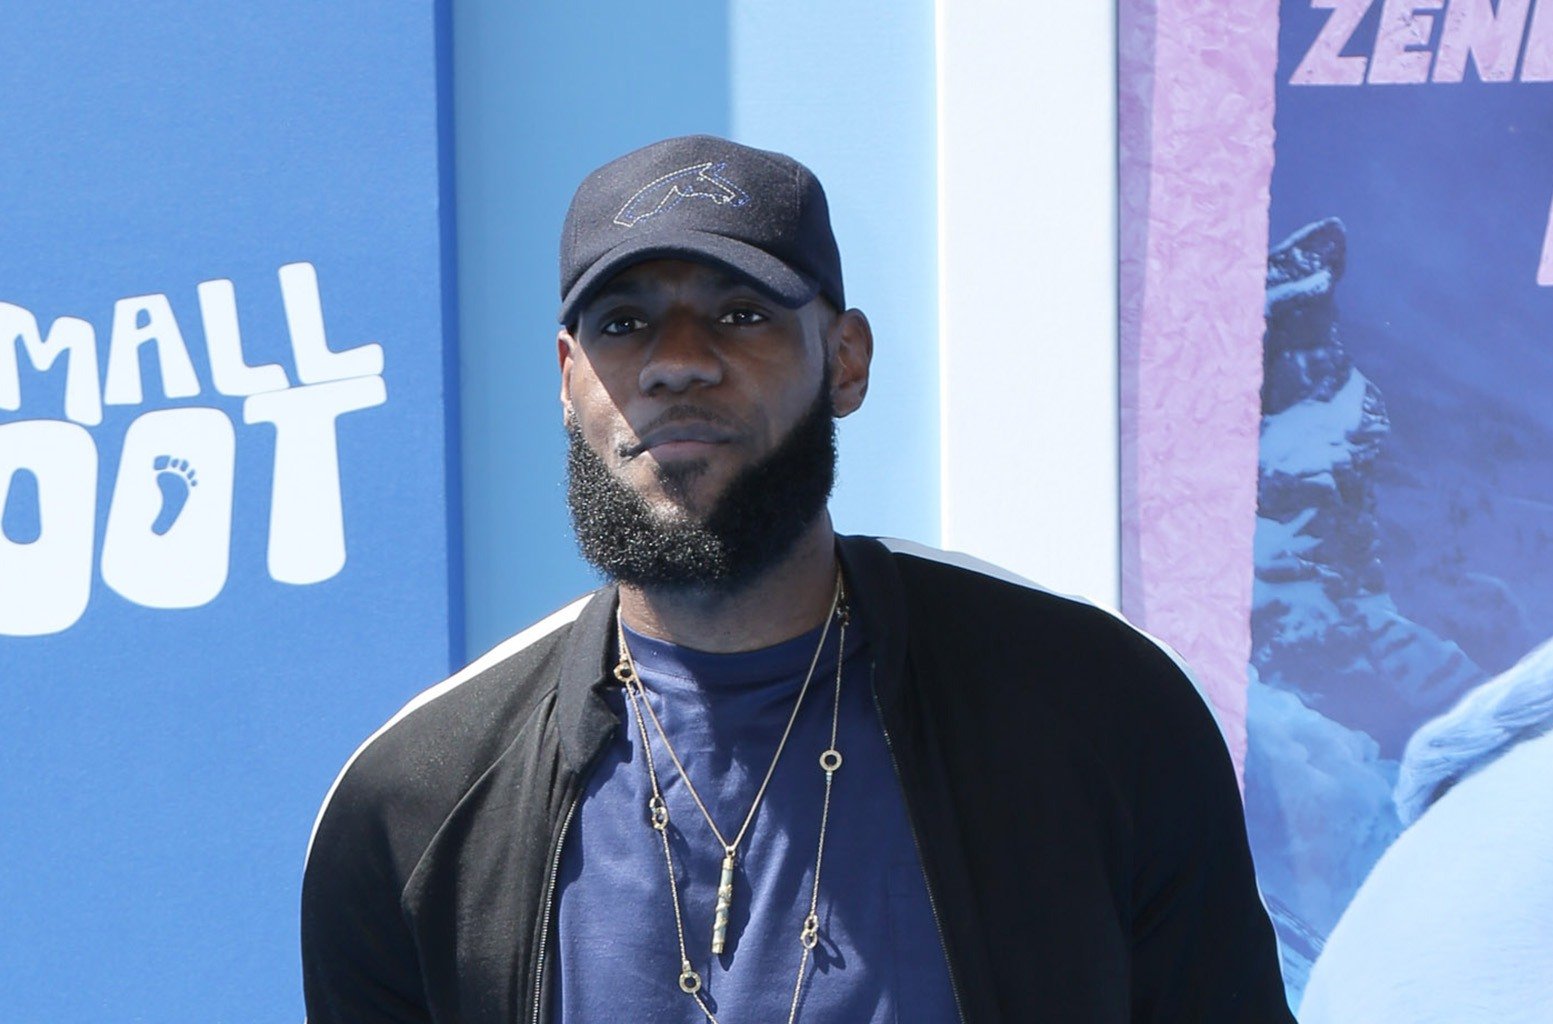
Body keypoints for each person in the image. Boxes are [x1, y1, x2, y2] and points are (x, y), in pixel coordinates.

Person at [301, 135, 1294, 1023]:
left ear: (844, 359)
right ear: (568, 380)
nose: (677, 363)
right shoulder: (414, 804)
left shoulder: (1093, 708)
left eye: (738, 314)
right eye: (622, 323)